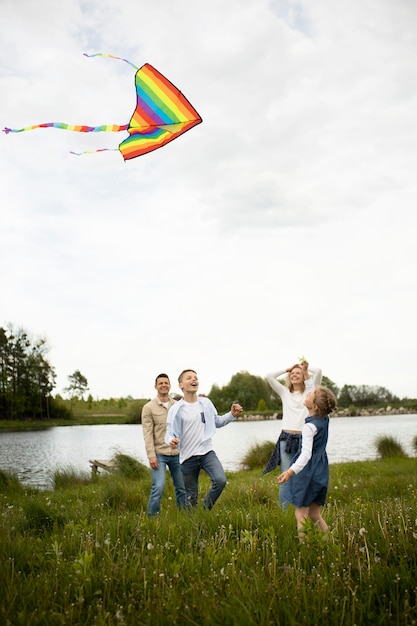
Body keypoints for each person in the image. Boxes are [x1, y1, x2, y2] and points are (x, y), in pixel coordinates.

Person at [165, 369, 243, 509]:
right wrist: (171, 441)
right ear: (181, 385)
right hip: (187, 457)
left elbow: (217, 422)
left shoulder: (206, 403)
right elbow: (169, 433)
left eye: (195, 377)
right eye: (189, 378)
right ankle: (194, 525)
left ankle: (205, 509)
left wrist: (231, 414)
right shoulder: (175, 409)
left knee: (220, 480)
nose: (194, 380)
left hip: (207, 452)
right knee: (191, 497)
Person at [277, 385, 337, 539]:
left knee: (301, 514)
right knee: (315, 514)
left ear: (315, 407)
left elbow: (305, 455)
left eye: (310, 395)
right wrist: (305, 372)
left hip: (307, 473)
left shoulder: (309, 427)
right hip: (321, 470)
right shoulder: (324, 418)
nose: (307, 394)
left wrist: (290, 471)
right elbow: (316, 394)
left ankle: (306, 549)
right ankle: (330, 542)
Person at [263, 360, 322, 509]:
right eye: (292, 374)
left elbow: (319, 371)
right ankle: (284, 512)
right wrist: (287, 368)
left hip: (305, 439)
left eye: (298, 373)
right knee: (285, 476)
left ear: (304, 376)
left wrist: (304, 368)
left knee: (304, 475)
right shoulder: (284, 392)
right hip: (286, 439)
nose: (294, 375)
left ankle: (303, 508)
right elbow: (269, 376)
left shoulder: (311, 392)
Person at [141, 373, 187, 516]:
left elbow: (184, 429)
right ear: (156, 387)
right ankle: (152, 517)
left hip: (177, 454)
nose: (163, 385)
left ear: (170, 386)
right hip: (159, 454)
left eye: (166, 383)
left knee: (181, 487)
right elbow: (147, 434)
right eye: (160, 383)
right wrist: (151, 456)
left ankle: (183, 516)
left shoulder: (178, 405)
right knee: (158, 486)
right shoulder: (148, 408)